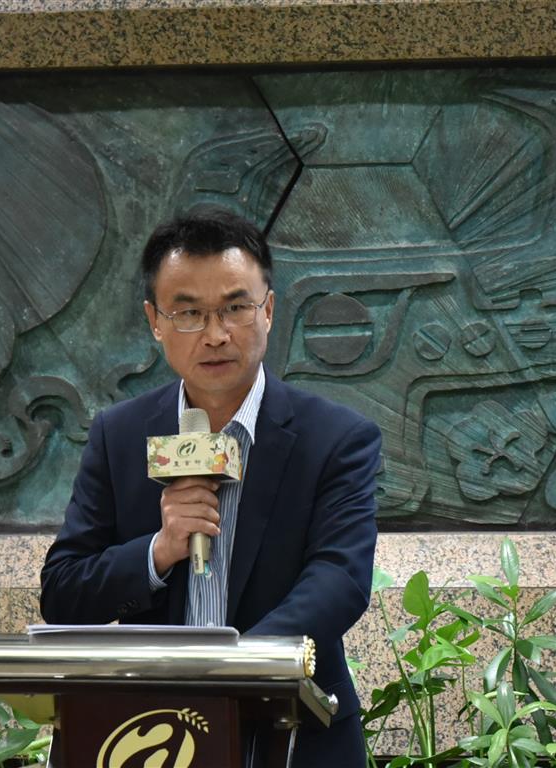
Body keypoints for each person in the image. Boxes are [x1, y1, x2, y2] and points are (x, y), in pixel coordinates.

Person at [40, 206, 381, 767]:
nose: (216, 334)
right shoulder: (118, 436)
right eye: (189, 314)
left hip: (291, 735)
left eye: (235, 308)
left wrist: (233, 673)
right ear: (155, 321)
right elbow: (62, 591)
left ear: (268, 310)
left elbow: (339, 579)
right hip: (150, 737)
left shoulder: (337, 439)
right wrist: (158, 550)